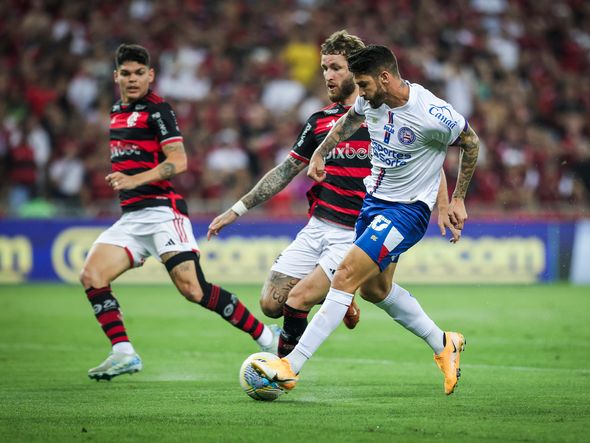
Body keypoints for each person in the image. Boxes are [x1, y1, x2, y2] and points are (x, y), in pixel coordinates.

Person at [208, 32, 460, 359]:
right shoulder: (319, 122)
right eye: (324, 67)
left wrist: (444, 204)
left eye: (336, 67)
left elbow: (426, 160)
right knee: (271, 304)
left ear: (355, 71)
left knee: (300, 299)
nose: (328, 75)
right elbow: (285, 170)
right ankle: (343, 299)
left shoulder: (384, 116)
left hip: (357, 232)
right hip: (319, 224)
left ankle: (282, 369)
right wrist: (236, 210)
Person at [253, 45, 480, 395]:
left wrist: (458, 199)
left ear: (385, 77)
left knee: (344, 276)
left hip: (407, 211)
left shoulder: (433, 113)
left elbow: (471, 142)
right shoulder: (370, 100)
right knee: (376, 290)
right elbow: (349, 122)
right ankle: (444, 342)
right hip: (373, 204)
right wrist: (320, 152)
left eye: (364, 84)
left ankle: (290, 365)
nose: (360, 92)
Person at [80, 44, 280, 381]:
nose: (132, 79)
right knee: (91, 276)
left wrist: (133, 179)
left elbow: (178, 162)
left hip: (162, 212)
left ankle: (265, 336)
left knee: (193, 290)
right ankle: (123, 353)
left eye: (139, 73)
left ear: (151, 75)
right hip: (131, 218)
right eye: (126, 73)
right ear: (116, 76)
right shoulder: (116, 110)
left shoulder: (159, 110)